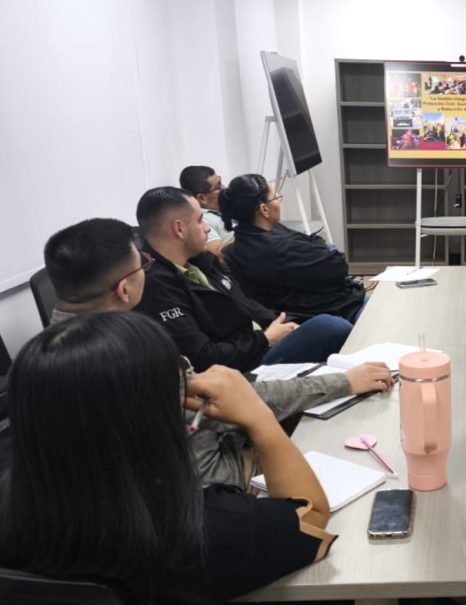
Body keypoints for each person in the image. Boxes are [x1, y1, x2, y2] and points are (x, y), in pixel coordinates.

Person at [0, 312, 337, 602]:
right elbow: (310, 518)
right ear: (156, 411)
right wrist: (260, 419)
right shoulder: (207, 526)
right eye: (183, 372)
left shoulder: (12, 503)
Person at [42, 217, 392, 488]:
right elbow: (232, 403)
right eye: (143, 265)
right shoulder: (141, 353)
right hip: (208, 487)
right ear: (124, 289)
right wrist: (342, 383)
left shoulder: (40, 358)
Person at [134, 186, 354, 372]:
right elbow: (203, 356)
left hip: (262, 339)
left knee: (351, 316)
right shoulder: (156, 288)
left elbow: (244, 302)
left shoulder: (202, 262)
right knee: (331, 326)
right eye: (200, 220)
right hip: (244, 366)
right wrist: (265, 339)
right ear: (179, 229)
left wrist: (280, 324)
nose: (207, 228)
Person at [218, 174, 366, 323]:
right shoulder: (284, 249)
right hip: (329, 311)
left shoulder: (236, 247)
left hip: (297, 311)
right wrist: (323, 246)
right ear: (264, 209)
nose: (279, 202)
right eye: (276, 197)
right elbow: (338, 266)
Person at [179, 165, 234, 260]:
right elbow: (217, 257)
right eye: (218, 187)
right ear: (202, 198)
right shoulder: (203, 220)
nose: (225, 188)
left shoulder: (225, 207)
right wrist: (248, 230)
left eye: (220, 182)